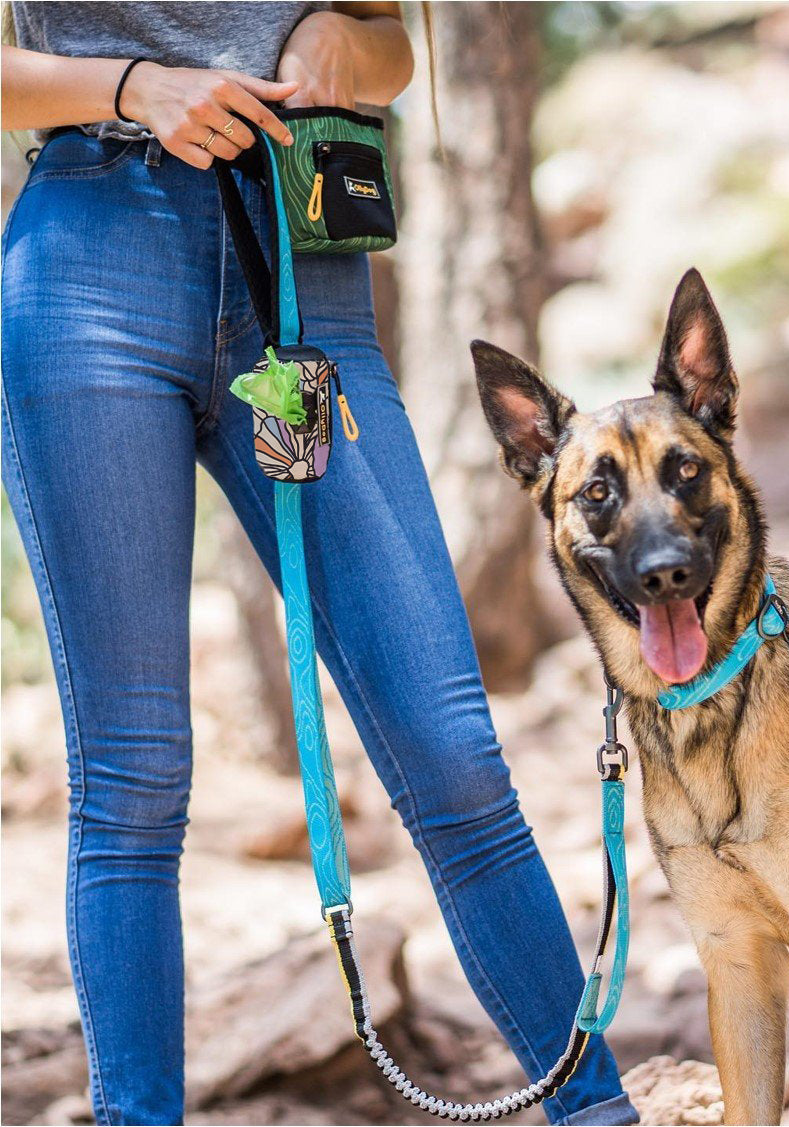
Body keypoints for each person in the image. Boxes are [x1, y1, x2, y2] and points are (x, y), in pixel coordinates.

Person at [0, 5, 637, 1125]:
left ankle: (593, 1108)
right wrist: (133, 88)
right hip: (92, 263)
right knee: (134, 780)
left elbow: (388, 41)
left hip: (304, 265)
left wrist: (351, 52)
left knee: (450, 751)